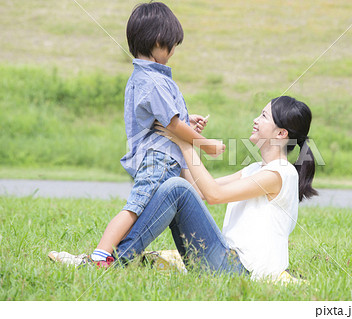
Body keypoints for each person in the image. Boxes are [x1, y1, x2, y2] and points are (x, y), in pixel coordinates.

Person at [49, 2, 225, 267]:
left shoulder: (145, 78)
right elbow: (173, 125)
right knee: (135, 208)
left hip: (166, 157)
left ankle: (109, 257)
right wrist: (206, 144)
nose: (174, 51)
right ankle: (100, 255)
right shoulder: (153, 80)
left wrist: (189, 119)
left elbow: (168, 119)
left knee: (172, 201)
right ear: (157, 40)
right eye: (171, 45)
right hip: (159, 159)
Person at [112, 96, 318, 280]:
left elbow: (215, 195)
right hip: (227, 260)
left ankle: (119, 258)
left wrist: (185, 142)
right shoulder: (255, 169)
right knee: (176, 187)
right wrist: (183, 141)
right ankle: (119, 254)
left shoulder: (281, 173)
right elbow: (199, 191)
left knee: (176, 187)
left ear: (281, 133)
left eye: (264, 116)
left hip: (239, 272)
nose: (256, 120)